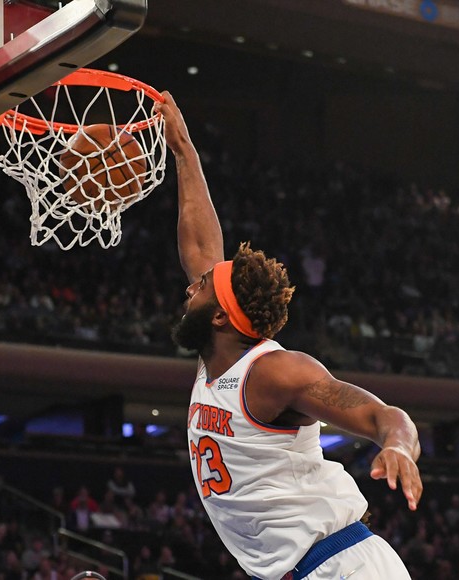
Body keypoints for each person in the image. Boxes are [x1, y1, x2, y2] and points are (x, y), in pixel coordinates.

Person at [157, 92, 422, 580]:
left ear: (219, 318)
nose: (189, 286)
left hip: (343, 568)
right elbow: (199, 244)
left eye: (198, 288)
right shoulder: (213, 352)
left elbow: (384, 415)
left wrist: (398, 446)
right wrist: (184, 150)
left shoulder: (275, 372)